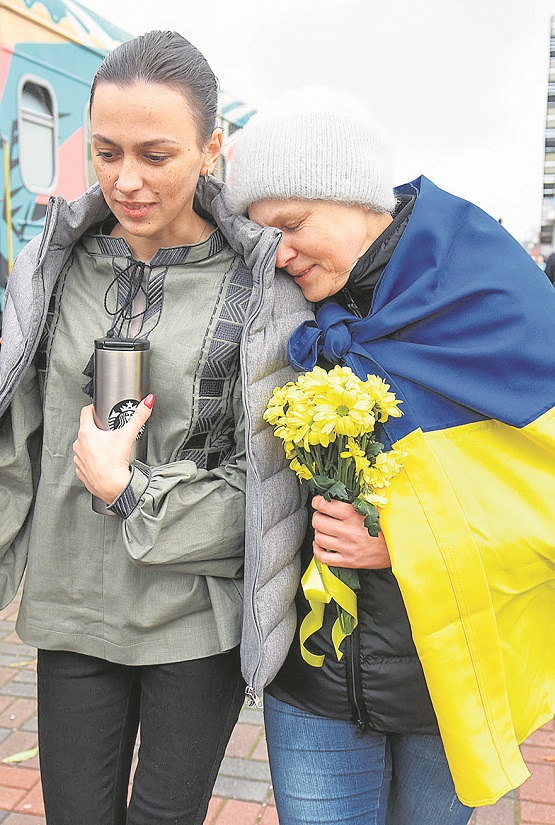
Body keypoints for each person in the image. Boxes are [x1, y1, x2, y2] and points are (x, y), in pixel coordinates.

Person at [226, 87, 555, 825]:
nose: (278, 253)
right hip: (312, 673)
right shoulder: (276, 302)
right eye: (262, 235)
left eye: (291, 225)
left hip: (450, 674)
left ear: (357, 197)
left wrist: (403, 539)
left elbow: (542, 494)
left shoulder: (490, 290)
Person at [0, 30, 264, 825]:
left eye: (156, 155)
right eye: (106, 151)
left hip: (194, 618)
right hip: (73, 605)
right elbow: (18, 444)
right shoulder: (53, 268)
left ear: (212, 148)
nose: (126, 180)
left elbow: (263, 485)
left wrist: (131, 490)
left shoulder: (259, 289)